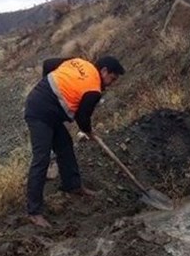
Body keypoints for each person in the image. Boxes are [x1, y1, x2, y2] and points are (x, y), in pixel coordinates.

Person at [24, 55, 125, 228]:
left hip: (46, 109)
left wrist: (48, 91)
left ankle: (72, 185)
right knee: (41, 159)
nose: (111, 83)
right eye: (112, 79)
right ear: (104, 71)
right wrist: (89, 132)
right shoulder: (93, 89)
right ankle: (34, 212)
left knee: (65, 145)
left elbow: (48, 63)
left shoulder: (79, 62)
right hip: (39, 113)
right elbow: (82, 117)